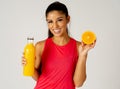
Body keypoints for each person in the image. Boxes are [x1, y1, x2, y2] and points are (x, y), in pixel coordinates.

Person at [22, 1, 96, 89]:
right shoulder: (40, 46)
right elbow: (38, 78)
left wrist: (83, 55)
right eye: (50, 22)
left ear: (68, 19)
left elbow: (78, 83)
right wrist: (28, 65)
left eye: (59, 20)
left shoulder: (79, 47)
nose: (55, 26)